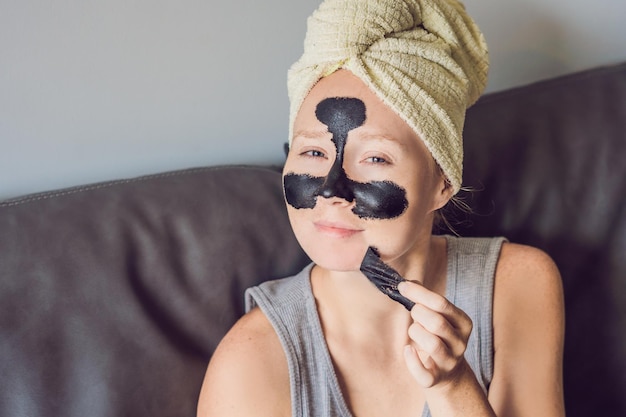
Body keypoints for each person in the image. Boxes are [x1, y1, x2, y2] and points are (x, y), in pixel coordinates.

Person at [197, 0, 565, 416]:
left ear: (442, 184)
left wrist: (454, 388)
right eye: (314, 152)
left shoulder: (518, 284)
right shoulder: (249, 364)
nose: (332, 191)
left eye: (375, 158)